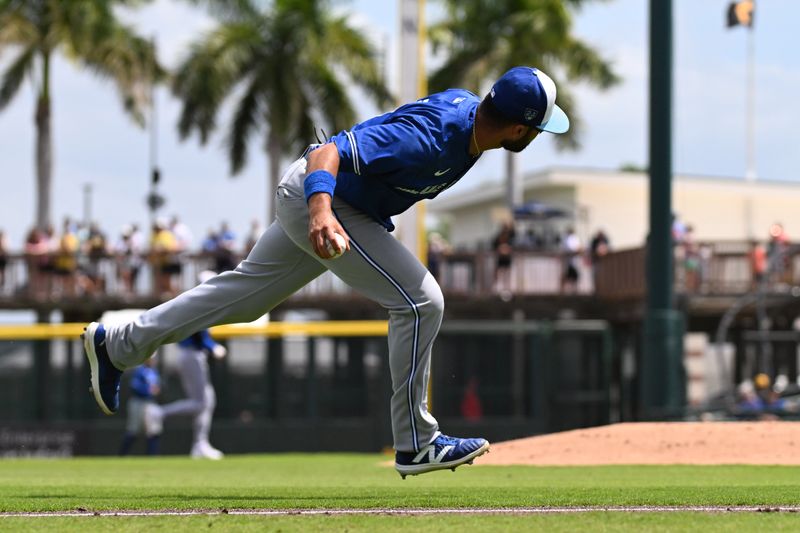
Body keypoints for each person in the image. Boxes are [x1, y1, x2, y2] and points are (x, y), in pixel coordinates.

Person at [82, 66, 570, 477]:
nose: (535, 137)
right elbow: (327, 151)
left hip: (331, 202)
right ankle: (417, 441)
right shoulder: (432, 138)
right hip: (321, 197)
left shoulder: (468, 127)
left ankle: (118, 344)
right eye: (538, 129)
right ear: (519, 128)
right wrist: (320, 212)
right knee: (422, 301)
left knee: (246, 298)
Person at [143, 271, 227, 460]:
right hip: (192, 355)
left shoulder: (199, 301)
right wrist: (213, 348)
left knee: (207, 400)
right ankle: (160, 413)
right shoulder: (200, 302)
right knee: (201, 402)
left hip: (191, 355)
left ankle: (200, 443)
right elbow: (200, 333)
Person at [119, 357, 162, 456]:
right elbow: (134, 385)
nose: (153, 360)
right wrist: (148, 390)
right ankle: (122, 455)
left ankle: (152, 456)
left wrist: (156, 390)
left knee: (153, 430)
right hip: (138, 402)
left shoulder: (154, 371)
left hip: (150, 402)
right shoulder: (140, 370)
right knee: (133, 430)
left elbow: (158, 386)